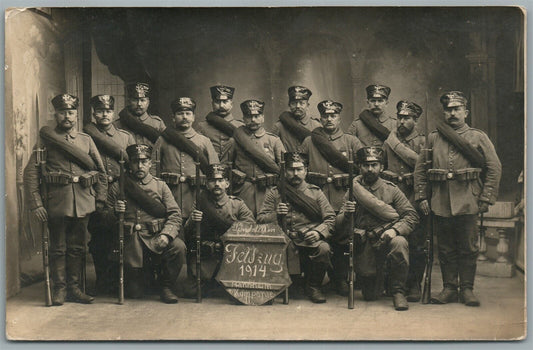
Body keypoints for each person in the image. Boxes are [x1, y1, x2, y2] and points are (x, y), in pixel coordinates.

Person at [414, 91, 502, 307]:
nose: (452, 113)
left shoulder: (478, 136)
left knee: (468, 246)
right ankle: (449, 287)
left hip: (468, 198)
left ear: (466, 112)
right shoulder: (434, 137)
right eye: (448, 110)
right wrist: (422, 196)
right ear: (444, 113)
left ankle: (467, 289)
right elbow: (420, 170)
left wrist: (486, 196)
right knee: (445, 247)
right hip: (441, 200)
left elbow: (494, 167)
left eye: (456, 109)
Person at [24, 94, 107, 305]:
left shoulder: (85, 140)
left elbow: (101, 172)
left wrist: (100, 198)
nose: (67, 117)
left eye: (71, 112)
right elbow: (31, 174)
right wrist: (37, 204)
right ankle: (60, 290)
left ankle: (75, 289)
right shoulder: (46, 140)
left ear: (77, 114)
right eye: (62, 112)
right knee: (58, 247)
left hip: (83, 201)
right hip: (56, 203)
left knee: (77, 248)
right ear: (56, 114)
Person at [336, 147, 419, 310]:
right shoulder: (353, 190)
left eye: (374, 165)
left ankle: (398, 291)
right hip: (365, 243)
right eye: (366, 165)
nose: (370, 169)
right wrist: (346, 213)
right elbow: (337, 225)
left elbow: (411, 216)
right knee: (370, 295)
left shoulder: (391, 189)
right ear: (359, 167)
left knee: (400, 243)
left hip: (387, 238)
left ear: (381, 167)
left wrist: (394, 231)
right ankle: (381, 279)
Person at [298, 99, 363, 296]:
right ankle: (315, 281)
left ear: (339, 117)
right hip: (316, 201)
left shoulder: (352, 141)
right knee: (318, 239)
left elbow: (362, 173)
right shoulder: (309, 142)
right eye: (325, 115)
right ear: (320, 117)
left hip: (341, 199)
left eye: (333, 115)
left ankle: (340, 279)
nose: (329, 119)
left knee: (341, 240)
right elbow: (300, 169)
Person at [112, 144, 186, 303]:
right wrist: (114, 210)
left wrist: (166, 235)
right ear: (129, 163)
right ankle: (144, 278)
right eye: (135, 161)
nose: (139, 166)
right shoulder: (119, 186)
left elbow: (175, 214)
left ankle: (166, 286)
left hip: (155, 237)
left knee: (178, 247)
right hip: (130, 242)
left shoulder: (160, 186)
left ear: (150, 163)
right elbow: (102, 215)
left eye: (144, 161)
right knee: (135, 293)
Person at [257, 152, 335, 303]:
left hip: (307, 238)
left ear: (306, 171)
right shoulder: (275, 192)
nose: (295, 174)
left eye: (299, 169)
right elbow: (260, 219)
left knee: (323, 249)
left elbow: (330, 219)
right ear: (284, 171)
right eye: (291, 170)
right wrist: (276, 215)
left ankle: (314, 286)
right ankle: (286, 284)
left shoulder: (316, 192)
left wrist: (318, 233)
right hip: (283, 239)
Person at [84, 94, 135, 294]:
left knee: (122, 235)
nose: (104, 114)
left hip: (122, 191)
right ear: (93, 113)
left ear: (113, 113)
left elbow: (133, 166)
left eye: (108, 111)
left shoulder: (125, 137)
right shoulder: (86, 137)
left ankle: (121, 280)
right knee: (98, 238)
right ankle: (102, 280)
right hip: (96, 192)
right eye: (100, 111)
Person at [183, 163, 255, 296]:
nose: (217, 184)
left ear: (227, 184)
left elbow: (251, 228)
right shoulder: (199, 202)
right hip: (206, 255)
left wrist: (230, 226)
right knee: (189, 291)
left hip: (230, 256)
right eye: (212, 180)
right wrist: (193, 219)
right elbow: (186, 232)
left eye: (220, 180)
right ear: (207, 184)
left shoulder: (237, 204)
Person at [381, 100, 426, 302]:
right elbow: (380, 168)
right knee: (394, 239)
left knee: (416, 242)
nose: (401, 121)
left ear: (415, 120)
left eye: (406, 117)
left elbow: (426, 173)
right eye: (399, 117)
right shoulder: (389, 142)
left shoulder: (424, 143)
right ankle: (393, 283)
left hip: (414, 196)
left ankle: (414, 283)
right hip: (393, 197)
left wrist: (423, 197)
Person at [153, 97, 219, 222]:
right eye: (180, 113)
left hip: (196, 197)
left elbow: (215, 171)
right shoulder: (163, 140)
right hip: (170, 196)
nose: (184, 117)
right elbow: (152, 168)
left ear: (193, 117)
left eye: (188, 113)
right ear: (173, 117)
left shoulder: (204, 141)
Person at [229, 99, 285, 216]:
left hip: (268, 192)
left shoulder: (273, 140)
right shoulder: (234, 141)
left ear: (262, 117)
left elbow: (283, 169)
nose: (253, 120)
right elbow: (225, 166)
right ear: (243, 118)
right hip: (242, 192)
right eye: (249, 116)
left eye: (256, 116)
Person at [196, 85, 244, 163]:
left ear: (231, 104)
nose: (221, 105)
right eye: (217, 102)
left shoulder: (240, 126)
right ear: (212, 104)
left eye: (225, 102)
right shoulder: (202, 127)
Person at [115, 82, 166, 147]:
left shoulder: (157, 123)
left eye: (142, 100)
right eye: (135, 100)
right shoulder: (118, 124)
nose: (139, 104)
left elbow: (166, 148)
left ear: (148, 102)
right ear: (129, 101)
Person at [272, 86, 321, 152]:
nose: (297, 106)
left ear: (307, 106)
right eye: (294, 103)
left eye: (301, 103)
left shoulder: (316, 126)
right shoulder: (279, 126)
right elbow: (272, 150)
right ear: (289, 105)